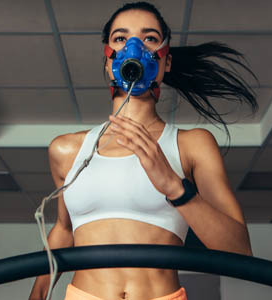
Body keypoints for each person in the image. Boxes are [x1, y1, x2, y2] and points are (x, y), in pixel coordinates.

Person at [29, 2, 257, 300]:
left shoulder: (192, 144)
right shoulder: (68, 149)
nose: (133, 47)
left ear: (167, 61)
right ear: (108, 59)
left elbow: (239, 251)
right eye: (120, 38)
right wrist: (37, 294)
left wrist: (176, 188)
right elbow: (64, 230)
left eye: (149, 38)